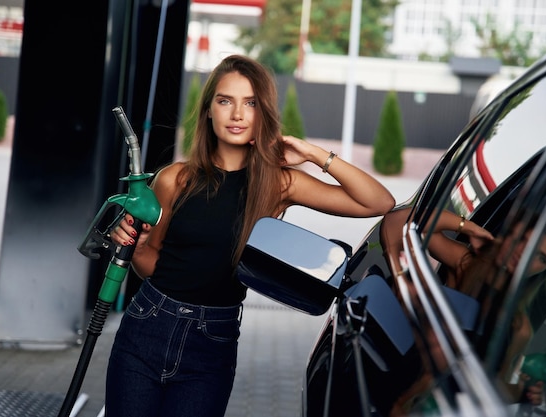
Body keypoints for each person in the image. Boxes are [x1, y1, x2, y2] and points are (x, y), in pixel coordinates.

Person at [105, 54, 396, 417]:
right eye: (225, 101)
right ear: (209, 110)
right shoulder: (174, 178)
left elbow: (378, 201)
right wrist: (138, 248)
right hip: (147, 325)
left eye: (250, 103)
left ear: (263, 114)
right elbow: (151, 265)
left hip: (212, 343)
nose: (237, 114)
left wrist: (312, 153)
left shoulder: (277, 183)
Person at [381, 208, 546, 413]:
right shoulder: (467, 264)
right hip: (385, 374)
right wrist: (468, 227)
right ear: (511, 234)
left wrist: (526, 392)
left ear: (545, 270)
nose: (525, 255)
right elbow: (398, 221)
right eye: (525, 240)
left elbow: (491, 387)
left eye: (541, 258)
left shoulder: (518, 327)